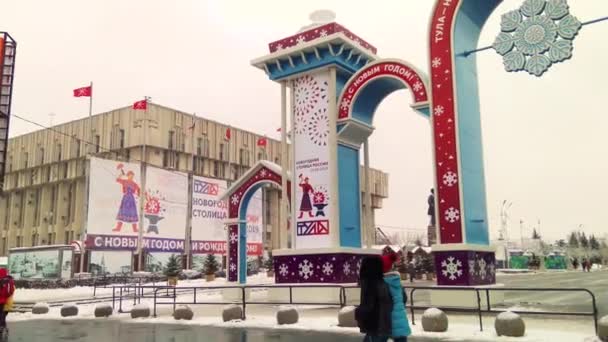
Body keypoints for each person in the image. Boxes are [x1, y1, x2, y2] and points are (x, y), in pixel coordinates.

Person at [355, 256, 392, 342]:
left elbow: (368, 306)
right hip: (382, 325)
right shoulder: (382, 283)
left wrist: (357, 312)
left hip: (376, 326)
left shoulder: (370, 284)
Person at [382, 253, 412, 342]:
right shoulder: (397, 281)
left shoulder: (382, 283)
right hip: (400, 319)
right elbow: (404, 298)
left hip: (387, 320)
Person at [0, 268, 15, 339]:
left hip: (2, 301)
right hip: (6, 301)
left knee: (1, 315)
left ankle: (2, 327)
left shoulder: (2, 280)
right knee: (3, 315)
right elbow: (11, 291)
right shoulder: (9, 281)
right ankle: (3, 327)